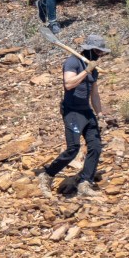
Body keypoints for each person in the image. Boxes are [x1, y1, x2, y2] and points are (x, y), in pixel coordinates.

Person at [37, 35, 110, 198]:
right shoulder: (72, 62)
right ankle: (47, 174)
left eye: (102, 53)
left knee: (96, 146)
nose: (100, 55)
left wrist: (99, 114)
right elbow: (69, 84)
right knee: (73, 149)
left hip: (86, 111)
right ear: (89, 49)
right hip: (72, 111)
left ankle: (85, 182)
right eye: (98, 51)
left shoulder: (94, 68)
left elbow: (95, 94)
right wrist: (86, 71)